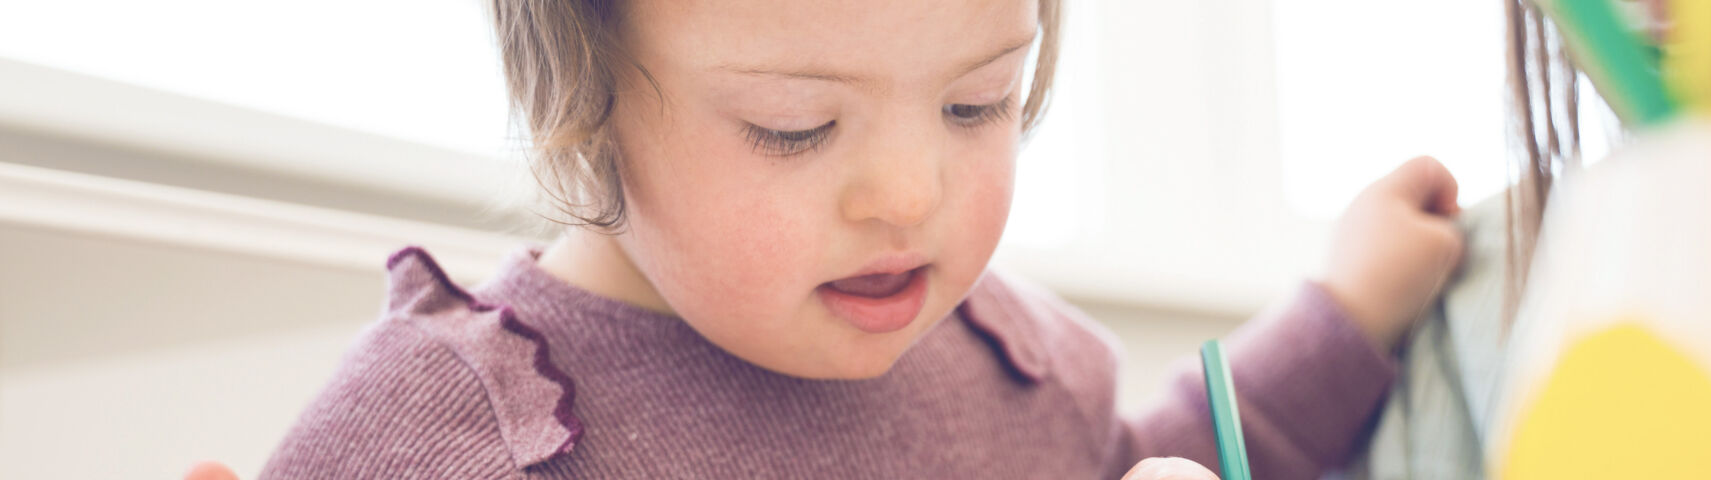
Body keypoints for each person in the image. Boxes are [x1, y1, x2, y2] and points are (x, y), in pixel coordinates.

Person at [188, 0, 1465, 477]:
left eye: (979, 102)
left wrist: (1340, 317)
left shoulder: (1020, 360)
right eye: (795, 128)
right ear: (576, 104)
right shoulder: (454, 431)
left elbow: (1155, 467)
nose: (906, 194)